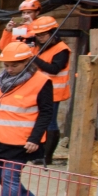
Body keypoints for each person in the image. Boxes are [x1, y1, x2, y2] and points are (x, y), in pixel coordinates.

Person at [0, 40, 58, 196]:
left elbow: (46, 113)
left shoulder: (42, 82)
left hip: (22, 141)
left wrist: (35, 139)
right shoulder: (1, 80)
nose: (9, 68)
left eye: (14, 65)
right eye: (6, 65)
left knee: (10, 178)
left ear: (27, 61)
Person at [24, 15, 72, 159]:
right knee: (38, 121)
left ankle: (47, 155)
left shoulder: (61, 49)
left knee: (50, 122)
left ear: (53, 33)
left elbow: (54, 69)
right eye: (38, 35)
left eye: (43, 34)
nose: (40, 37)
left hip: (53, 92)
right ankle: (38, 152)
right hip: (37, 90)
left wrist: (34, 59)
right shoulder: (39, 46)